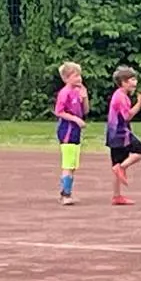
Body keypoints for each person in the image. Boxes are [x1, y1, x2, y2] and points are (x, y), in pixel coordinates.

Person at [107, 66, 141, 205]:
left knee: (116, 164)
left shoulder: (119, 95)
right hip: (121, 134)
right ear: (124, 82)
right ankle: (122, 168)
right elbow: (127, 116)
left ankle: (116, 196)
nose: (135, 82)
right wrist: (140, 103)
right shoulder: (121, 97)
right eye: (132, 79)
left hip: (113, 134)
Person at [54, 61, 88, 206]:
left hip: (75, 132)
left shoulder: (77, 92)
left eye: (79, 75)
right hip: (67, 130)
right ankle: (65, 195)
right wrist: (76, 119)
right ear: (67, 78)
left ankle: (67, 192)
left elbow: (85, 110)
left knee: (73, 164)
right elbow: (59, 111)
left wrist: (85, 97)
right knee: (68, 163)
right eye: (75, 76)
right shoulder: (65, 92)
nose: (79, 78)